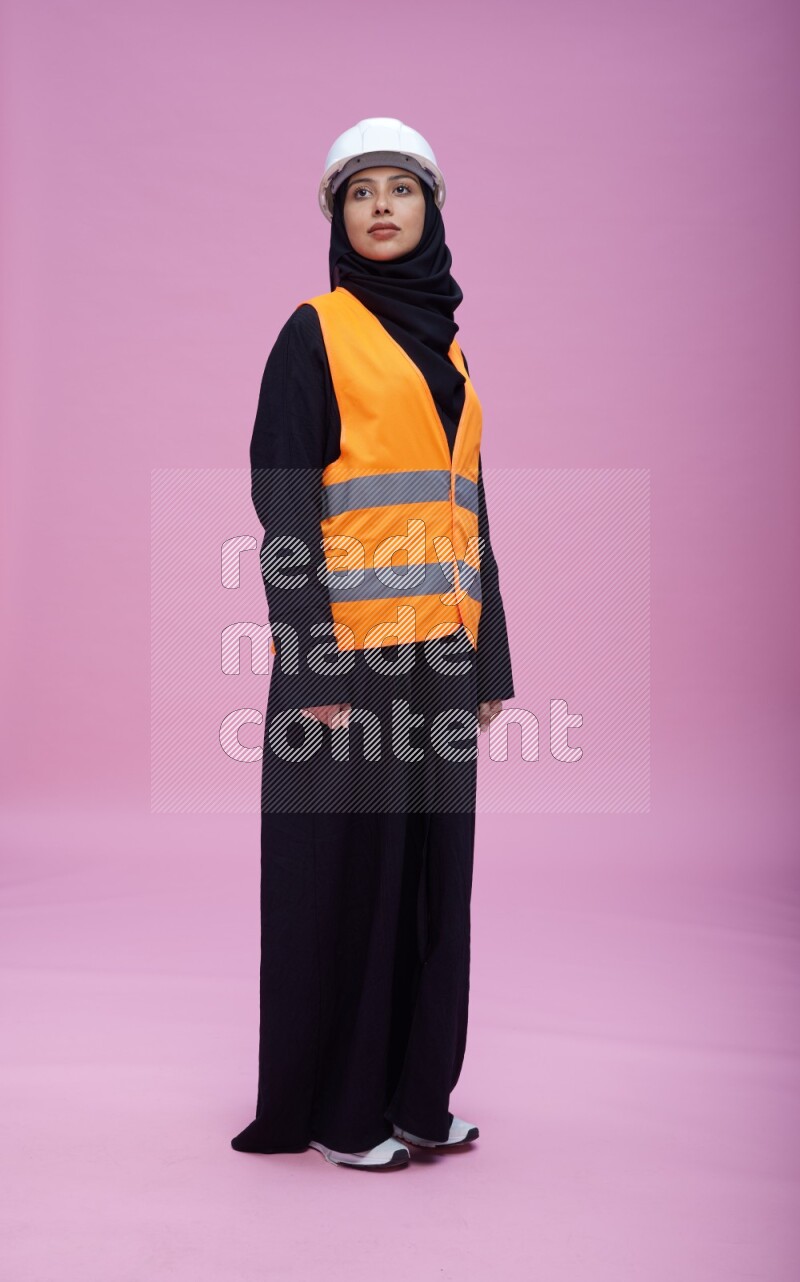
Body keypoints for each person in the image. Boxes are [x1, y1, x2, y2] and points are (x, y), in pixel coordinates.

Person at [230, 118, 514, 1171]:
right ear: (338, 217)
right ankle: (344, 1113)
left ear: (431, 210)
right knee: (349, 880)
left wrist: (488, 660)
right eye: (361, 193)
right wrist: (311, 665)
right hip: (350, 668)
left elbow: (466, 508)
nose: (382, 206)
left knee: (435, 880)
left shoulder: (447, 344)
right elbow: (284, 513)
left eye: (401, 188)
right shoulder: (313, 332)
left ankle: (416, 1100)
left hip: (440, 658)